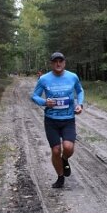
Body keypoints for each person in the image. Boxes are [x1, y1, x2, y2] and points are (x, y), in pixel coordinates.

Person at [31, 52, 84, 188]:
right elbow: (34, 96)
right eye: (55, 61)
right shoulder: (44, 79)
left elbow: (80, 91)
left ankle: (64, 159)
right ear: (51, 63)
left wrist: (80, 104)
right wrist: (44, 102)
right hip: (51, 120)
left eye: (61, 61)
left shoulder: (72, 77)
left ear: (64, 63)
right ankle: (60, 177)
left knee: (68, 147)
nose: (58, 64)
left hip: (68, 119)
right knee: (55, 150)